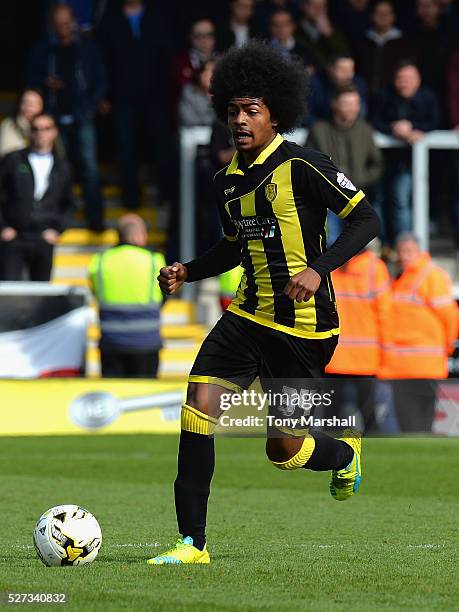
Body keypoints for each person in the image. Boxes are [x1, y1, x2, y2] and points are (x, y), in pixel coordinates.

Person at [150, 41, 380, 565]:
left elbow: (368, 220)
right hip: (247, 317)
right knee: (199, 405)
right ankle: (192, 544)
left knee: (285, 451)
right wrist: (188, 270)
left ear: (276, 114)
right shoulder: (226, 182)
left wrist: (318, 269)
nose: (239, 119)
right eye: (232, 110)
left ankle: (344, 451)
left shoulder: (304, 165)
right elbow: (234, 246)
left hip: (303, 328)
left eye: (251, 109)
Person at [26, 3, 106, 231]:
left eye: (66, 23)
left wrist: (89, 108)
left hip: (82, 115)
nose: (62, 28)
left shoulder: (87, 47)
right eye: (58, 24)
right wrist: (45, 83)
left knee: (89, 168)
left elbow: (100, 80)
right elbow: (31, 79)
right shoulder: (43, 49)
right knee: (58, 170)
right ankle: (59, 218)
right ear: (52, 25)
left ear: (73, 21)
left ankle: (95, 218)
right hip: (53, 117)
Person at [97, 0, 173, 209]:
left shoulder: (157, 16)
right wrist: (104, 95)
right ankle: (130, 197)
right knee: (125, 146)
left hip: (156, 93)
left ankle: (165, 194)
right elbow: (102, 60)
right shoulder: (110, 20)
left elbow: (168, 55)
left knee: (162, 143)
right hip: (122, 96)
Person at [380, 233, 458, 431]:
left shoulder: (431, 276)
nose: (404, 256)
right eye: (401, 252)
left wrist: (446, 348)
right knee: (411, 425)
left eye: (409, 251)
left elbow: (450, 316)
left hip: (422, 366)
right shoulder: (401, 279)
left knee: (417, 424)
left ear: (420, 252)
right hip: (403, 367)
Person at [88, 214, 166, 378]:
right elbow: (165, 295)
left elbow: (95, 292)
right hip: (146, 343)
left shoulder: (100, 260)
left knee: (115, 397)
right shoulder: (155, 260)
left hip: (111, 343)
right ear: (139, 235)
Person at [325, 243, 392, 431]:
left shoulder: (330, 262)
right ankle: (374, 455)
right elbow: (385, 314)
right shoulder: (375, 267)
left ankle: (327, 455)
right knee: (369, 415)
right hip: (365, 357)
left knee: (331, 417)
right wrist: (386, 353)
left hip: (334, 355)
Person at [372, 60, 439, 245]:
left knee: (401, 201)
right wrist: (394, 128)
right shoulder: (383, 96)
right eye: (401, 78)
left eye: (409, 78)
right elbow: (374, 120)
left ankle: (404, 246)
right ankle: (382, 245)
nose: (405, 83)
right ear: (394, 80)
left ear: (418, 80)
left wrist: (413, 127)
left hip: (411, 163)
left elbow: (436, 121)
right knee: (377, 200)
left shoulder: (428, 98)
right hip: (381, 161)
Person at [306, 85, 383, 243]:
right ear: (334, 104)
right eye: (347, 103)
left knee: (363, 244)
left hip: (358, 196)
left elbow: (377, 164)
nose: (352, 108)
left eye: (356, 103)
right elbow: (307, 165)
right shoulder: (319, 130)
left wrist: (361, 180)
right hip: (327, 200)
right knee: (330, 242)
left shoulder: (365, 130)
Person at [0, 113, 72, 281]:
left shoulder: (62, 166)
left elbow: (69, 203)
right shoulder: (13, 160)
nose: (41, 133)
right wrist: (2, 227)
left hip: (43, 237)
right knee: (8, 292)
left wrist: (58, 229)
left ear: (54, 132)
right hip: (14, 235)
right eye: (36, 129)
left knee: (42, 293)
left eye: (46, 129)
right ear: (30, 132)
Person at [353, 0, 416, 99]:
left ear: (393, 16)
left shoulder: (404, 43)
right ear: (372, 15)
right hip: (364, 95)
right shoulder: (362, 41)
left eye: (387, 13)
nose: (383, 16)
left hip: (392, 97)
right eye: (379, 13)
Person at [306, 54, 368, 126]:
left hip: (349, 128)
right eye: (343, 70)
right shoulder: (313, 83)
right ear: (329, 69)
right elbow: (305, 116)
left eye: (351, 70)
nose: (348, 75)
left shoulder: (359, 84)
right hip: (317, 127)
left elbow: (361, 114)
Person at [295, 0, 348, 71]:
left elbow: (344, 55)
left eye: (323, 6)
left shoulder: (334, 28)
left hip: (335, 75)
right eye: (314, 5)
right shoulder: (294, 30)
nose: (319, 9)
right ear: (303, 6)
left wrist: (329, 35)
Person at [0, 89, 44, 158]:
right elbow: (6, 155)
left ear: (42, 107)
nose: (29, 107)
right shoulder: (9, 125)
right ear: (20, 105)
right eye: (26, 102)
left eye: (34, 103)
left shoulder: (48, 127)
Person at [178, 60, 216, 127]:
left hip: (219, 133)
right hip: (194, 133)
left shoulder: (223, 92)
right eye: (205, 71)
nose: (208, 75)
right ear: (199, 74)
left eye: (212, 72)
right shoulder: (189, 91)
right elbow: (187, 118)